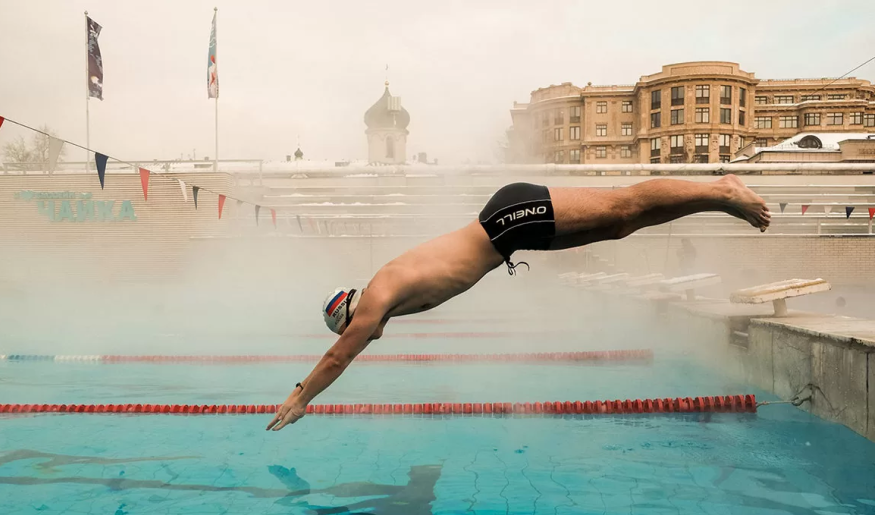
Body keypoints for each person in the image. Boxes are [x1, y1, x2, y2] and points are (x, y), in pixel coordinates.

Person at [267, 175, 770, 431]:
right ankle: (718, 198)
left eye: (351, 329)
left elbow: (339, 358)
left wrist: (299, 396)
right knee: (621, 225)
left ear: (348, 315)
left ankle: (722, 190)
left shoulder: (376, 298)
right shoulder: (386, 299)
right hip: (511, 233)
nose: (363, 336)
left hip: (508, 218)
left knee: (621, 206)